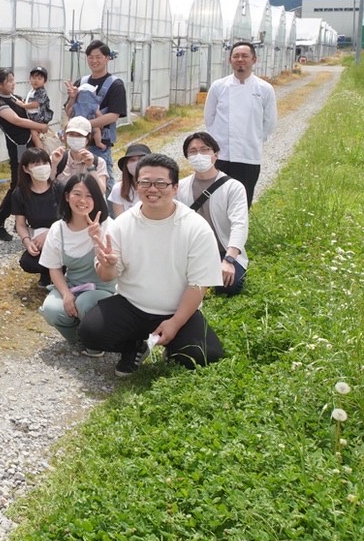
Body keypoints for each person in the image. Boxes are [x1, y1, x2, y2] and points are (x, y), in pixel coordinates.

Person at [79, 153, 226, 376]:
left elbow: (198, 285)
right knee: (90, 332)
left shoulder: (196, 227)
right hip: (132, 305)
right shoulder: (122, 225)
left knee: (205, 354)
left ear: (175, 187)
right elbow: (107, 277)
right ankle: (134, 345)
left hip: (177, 309)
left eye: (161, 183)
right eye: (145, 182)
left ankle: (172, 347)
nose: (152, 189)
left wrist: (175, 323)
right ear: (136, 186)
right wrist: (108, 264)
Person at [38, 172, 117, 345]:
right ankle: (79, 338)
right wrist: (66, 294)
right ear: (67, 196)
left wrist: (96, 241)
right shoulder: (58, 229)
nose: (82, 201)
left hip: (105, 288)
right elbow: (54, 267)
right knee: (52, 310)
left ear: (97, 199)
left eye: (89, 196)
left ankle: (98, 340)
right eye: (77, 194)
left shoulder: (108, 226)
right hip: (74, 286)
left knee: (85, 303)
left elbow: (109, 272)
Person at [203, 41, 278, 205]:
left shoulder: (264, 89)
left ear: (254, 60)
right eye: (236, 56)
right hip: (221, 155)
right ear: (230, 60)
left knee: (242, 202)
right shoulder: (218, 86)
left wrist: (254, 139)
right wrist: (218, 140)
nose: (240, 59)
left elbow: (270, 122)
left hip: (248, 156)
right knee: (216, 201)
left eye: (245, 56)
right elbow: (209, 117)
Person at [175, 131, 249, 296]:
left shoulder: (233, 187)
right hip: (194, 251)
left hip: (224, 251)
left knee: (229, 286)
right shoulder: (180, 187)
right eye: (193, 151)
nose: (199, 154)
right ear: (187, 157)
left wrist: (229, 260)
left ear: (215, 155)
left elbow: (239, 225)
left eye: (204, 149)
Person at [0, 67, 52, 242]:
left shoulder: (14, 98)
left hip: (28, 143)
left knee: (32, 181)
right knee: (18, 185)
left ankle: (21, 222)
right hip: (19, 147)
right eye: (9, 81)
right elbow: (16, 121)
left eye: (13, 80)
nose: (13, 83)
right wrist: (40, 127)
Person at [62, 39, 127, 180]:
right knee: (74, 180)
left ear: (107, 58)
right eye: (90, 57)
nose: (94, 60)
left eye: (98, 57)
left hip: (99, 145)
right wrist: (72, 98)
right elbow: (69, 112)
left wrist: (84, 125)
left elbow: (113, 116)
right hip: (77, 142)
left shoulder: (115, 84)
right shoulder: (81, 82)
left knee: (102, 182)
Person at [12, 145, 66, 286]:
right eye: (36, 164)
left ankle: (63, 273)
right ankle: (48, 273)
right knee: (27, 262)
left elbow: (71, 218)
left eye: (44, 163)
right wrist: (27, 242)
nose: (41, 167)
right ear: (25, 169)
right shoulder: (20, 194)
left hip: (64, 236)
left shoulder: (60, 189)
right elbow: (21, 224)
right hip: (39, 239)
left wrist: (50, 232)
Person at [57, 116, 110, 194]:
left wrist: (91, 167)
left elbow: (101, 192)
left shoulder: (99, 162)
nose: (75, 138)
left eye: (79, 135)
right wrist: (54, 164)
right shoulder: (58, 159)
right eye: (71, 134)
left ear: (88, 138)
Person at [107, 142, 150, 219]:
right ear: (126, 165)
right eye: (132, 160)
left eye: (141, 159)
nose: (137, 163)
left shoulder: (162, 186)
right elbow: (120, 221)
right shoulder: (118, 189)